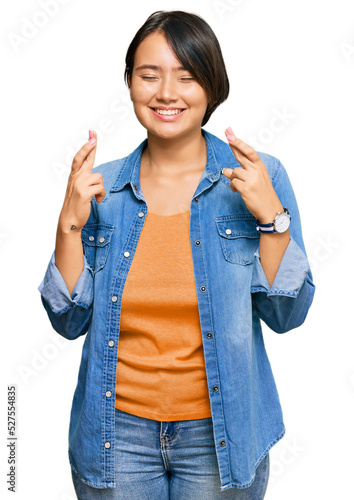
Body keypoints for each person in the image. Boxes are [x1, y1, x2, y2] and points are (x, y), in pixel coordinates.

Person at [38, 10, 315, 499]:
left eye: (186, 77)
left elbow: (286, 313)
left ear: (211, 86)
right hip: (114, 434)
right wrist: (69, 221)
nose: (167, 92)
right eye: (150, 75)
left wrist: (272, 218)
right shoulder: (102, 189)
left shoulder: (257, 177)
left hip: (221, 433)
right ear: (129, 83)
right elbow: (67, 321)